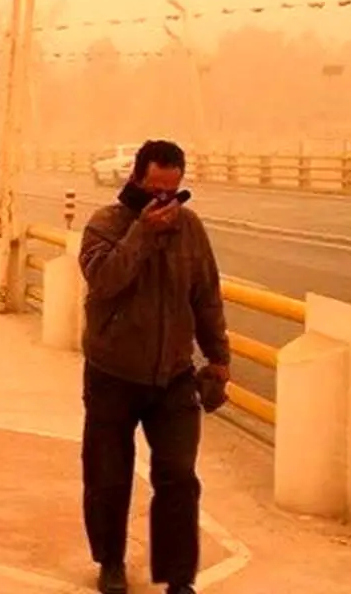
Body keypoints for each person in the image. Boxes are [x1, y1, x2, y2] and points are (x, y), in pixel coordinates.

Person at [78, 139, 230, 594]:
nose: (164, 200)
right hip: (112, 374)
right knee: (108, 476)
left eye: (172, 191)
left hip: (174, 375)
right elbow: (104, 282)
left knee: (179, 477)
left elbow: (206, 296)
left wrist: (219, 358)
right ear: (136, 179)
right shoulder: (105, 225)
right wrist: (142, 234)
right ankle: (111, 561)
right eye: (154, 190)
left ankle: (179, 578)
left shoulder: (190, 228)